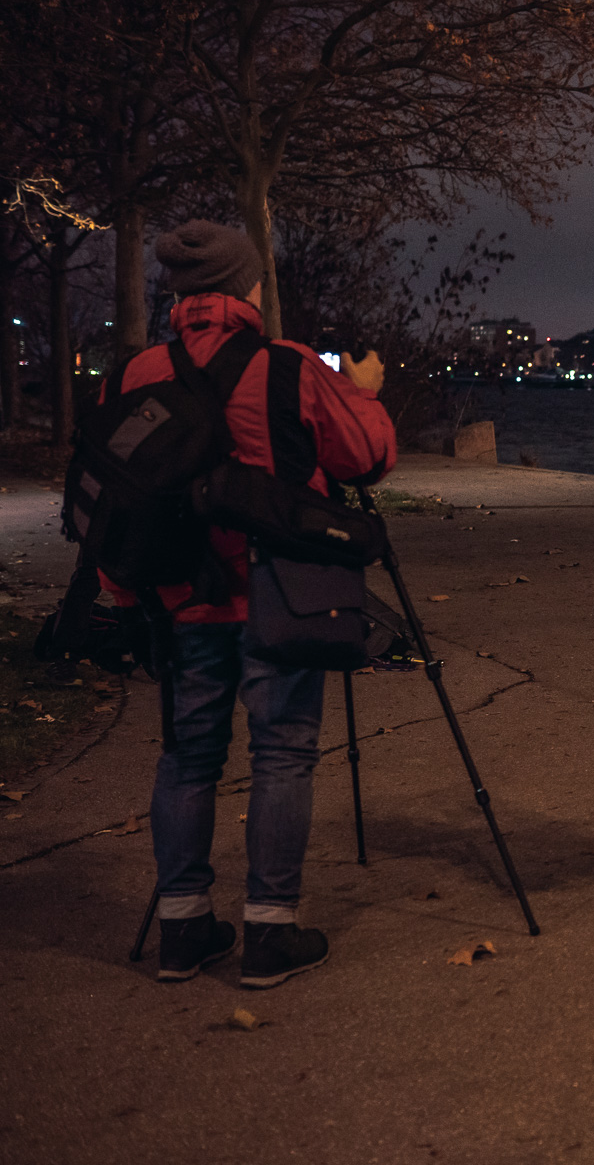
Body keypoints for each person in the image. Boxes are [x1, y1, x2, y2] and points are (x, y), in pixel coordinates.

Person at [126, 220, 396, 986]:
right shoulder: (288, 367)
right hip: (281, 591)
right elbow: (366, 457)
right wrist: (365, 393)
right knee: (283, 752)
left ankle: (182, 929)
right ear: (250, 286)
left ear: (180, 295)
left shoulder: (140, 373)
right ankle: (269, 932)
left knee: (187, 756)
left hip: (181, 596)